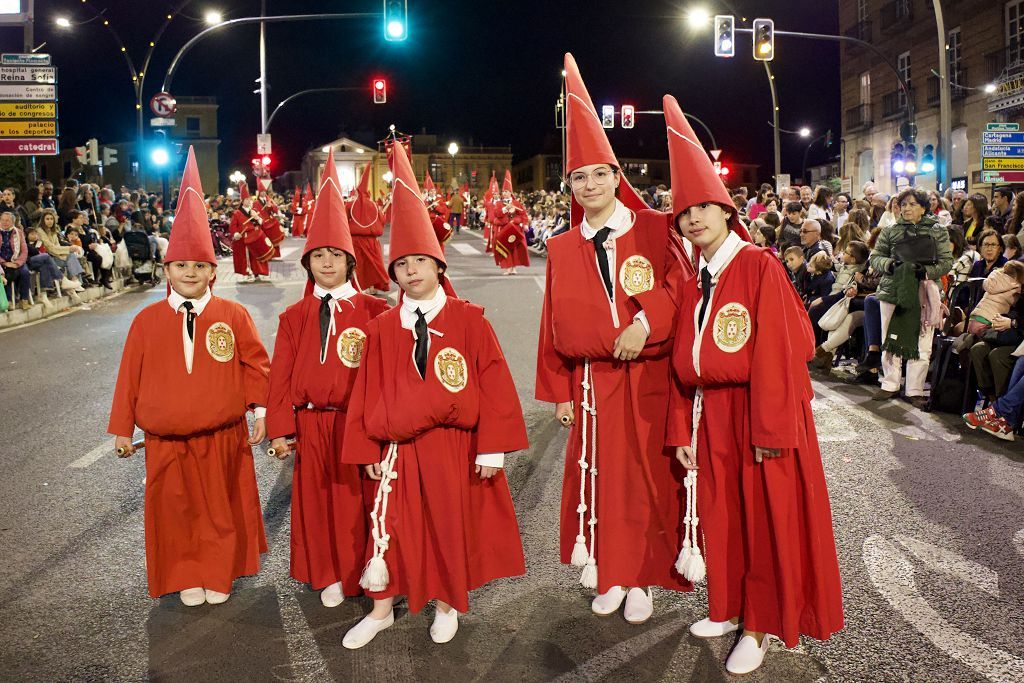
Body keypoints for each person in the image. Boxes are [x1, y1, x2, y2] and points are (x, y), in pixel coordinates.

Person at [663, 94, 842, 676]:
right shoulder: (696, 280)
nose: (693, 221)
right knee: (720, 514)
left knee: (763, 519)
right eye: (684, 214)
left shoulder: (758, 265)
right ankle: (729, 604)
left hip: (755, 415)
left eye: (702, 210)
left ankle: (759, 624)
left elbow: (789, 351)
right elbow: (680, 361)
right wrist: (678, 427)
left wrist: (771, 427)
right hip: (709, 414)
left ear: (725, 210)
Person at [340, 138, 527, 649]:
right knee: (390, 524)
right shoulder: (380, 328)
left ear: (439, 266)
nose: (412, 271)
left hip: (452, 445)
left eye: (421, 261)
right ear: (394, 273)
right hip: (396, 447)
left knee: (449, 523)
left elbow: (493, 380)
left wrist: (491, 446)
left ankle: (447, 602)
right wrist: (365, 450)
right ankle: (382, 608)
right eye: (402, 265)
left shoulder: (468, 321)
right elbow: (365, 393)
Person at [535, 57, 693, 626]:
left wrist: (644, 323)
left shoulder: (655, 227)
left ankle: (645, 575)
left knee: (649, 480)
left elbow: (681, 286)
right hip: (592, 383)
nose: (590, 185)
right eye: (579, 177)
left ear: (615, 172)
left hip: (649, 377)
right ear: (570, 185)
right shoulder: (561, 247)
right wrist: (557, 389)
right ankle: (610, 567)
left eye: (599, 173)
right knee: (598, 476)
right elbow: (551, 322)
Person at [107, 148, 270, 606]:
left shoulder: (233, 315)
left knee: (219, 512)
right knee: (175, 514)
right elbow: (129, 377)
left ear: (213, 271)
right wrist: (122, 429)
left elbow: (255, 365)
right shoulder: (145, 321)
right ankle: (185, 577)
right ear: (168, 270)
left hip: (222, 436)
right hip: (164, 442)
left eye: (200, 265)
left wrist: (261, 409)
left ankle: (218, 574)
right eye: (181, 265)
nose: (190, 273)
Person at [266, 150, 387, 609]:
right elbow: (280, 376)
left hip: (356, 425)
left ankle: (363, 570)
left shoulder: (376, 312)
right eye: (318, 256)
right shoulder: (294, 316)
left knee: (358, 502)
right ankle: (330, 572)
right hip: (311, 425)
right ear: (308, 262)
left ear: (351, 261)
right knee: (317, 504)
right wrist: (280, 428)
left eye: (336, 255)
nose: (327, 263)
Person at [869, 188, 953, 409]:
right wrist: (890, 265)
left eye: (912, 204)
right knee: (891, 338)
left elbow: (946, 262)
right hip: (892, 290)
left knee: (923, 341)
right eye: (903, 204)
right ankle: (890, 384)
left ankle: (914, 389)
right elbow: (875, 257)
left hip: (925, 291)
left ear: (924, 208)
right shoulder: (890, 231)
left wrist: (924, 271)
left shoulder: (938, 231)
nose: (906, 208)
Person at [347, 161, 390, 293]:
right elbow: (382, 220)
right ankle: (373, 287)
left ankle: (361, 287)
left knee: (360, 265)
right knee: (373, 265)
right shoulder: (374, 205)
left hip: (355, 241)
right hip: (372, 241)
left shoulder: (350, 205)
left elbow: (342, 220)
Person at [230, 183, 272, 282]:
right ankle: (248, 273)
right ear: (242, 201)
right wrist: (235, 233)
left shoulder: (254, 210)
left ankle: (257, 272)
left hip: (255, 236)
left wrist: (257, 217)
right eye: (247, 200)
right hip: (244, 238)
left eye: (250, 199)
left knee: (256, 255)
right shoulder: (237, 213)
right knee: (246, 256)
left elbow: (262, 222)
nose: (249, 201)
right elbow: (233, 226)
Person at [492, 170, 530, 275]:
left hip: (514, 228)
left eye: (506, 192)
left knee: (514, 249)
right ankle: (508, 267)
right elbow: (496, 214)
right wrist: (505, 209)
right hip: (504, 229)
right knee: (505, 248)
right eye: (503, 192)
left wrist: (524, 224)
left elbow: (523, 215)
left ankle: (514, 268)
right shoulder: (499, 203)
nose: (504, 193)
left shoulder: (517, 203)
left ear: (510, 193)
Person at [0, 211, 31, 309]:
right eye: (2, 220)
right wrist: (4, 262)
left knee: (25, 272)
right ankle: (9, 301)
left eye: (7, 220)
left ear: (13, 222)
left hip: (16, 260)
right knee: (6, 273)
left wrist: (17, 263)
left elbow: (24, 251)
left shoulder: (18, 232)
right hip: (3, 262)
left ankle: (24, 300)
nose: (5, 222)